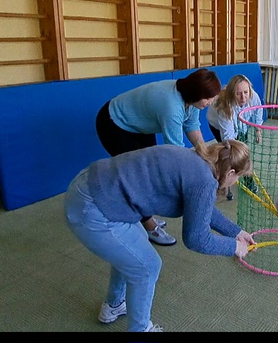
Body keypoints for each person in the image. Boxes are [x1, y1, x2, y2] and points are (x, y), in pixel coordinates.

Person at [63, 140, 255, 332]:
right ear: (230, 173)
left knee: (133, 251)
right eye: (238, 177)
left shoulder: (196, 160)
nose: (235, 182)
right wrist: (234, 247)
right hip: (92, 206)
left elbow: (201, 208)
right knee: (147, 266)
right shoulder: (204, 181)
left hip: (91, 184)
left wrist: (236, 232)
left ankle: (114, 305)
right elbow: (196, 239)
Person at [95, 68, 221, 246]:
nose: (210, 102)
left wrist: (206, 155)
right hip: (114, 123)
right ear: (196, 93)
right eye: (208, 98)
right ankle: (149, 225)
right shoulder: (171, 106)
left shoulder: (191, 100)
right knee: (138, 177)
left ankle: (145, 213)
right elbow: (176, 152)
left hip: (139, 124)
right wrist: (197, 174)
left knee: (149, 170)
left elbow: (192, 125)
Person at [206, 74, 264, 200]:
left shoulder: (253, 96)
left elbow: (258, 110)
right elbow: (229, 138)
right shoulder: (224, 106)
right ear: (232, 93)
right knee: (228, 154)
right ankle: (224, 184)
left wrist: (258, 130)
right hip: (218, 126)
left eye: (245, 92)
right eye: (238, 94)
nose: (243, 97)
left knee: (244, 154)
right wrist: (235, 151)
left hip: (241, 125)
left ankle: (248, 181)